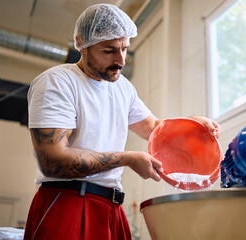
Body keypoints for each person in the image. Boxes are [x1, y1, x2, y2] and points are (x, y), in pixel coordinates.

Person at [23, 3, 220, 240]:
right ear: (82, 43)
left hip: (111, 207)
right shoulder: (57, 82)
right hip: (68, 202)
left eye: (124, 49)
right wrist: (127, 159)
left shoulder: (123, 88)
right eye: (109, 50)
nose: (121, 60)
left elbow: (154, 129)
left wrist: (191, 124)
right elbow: (53, 160)